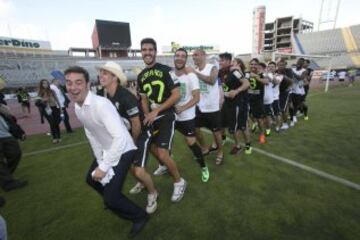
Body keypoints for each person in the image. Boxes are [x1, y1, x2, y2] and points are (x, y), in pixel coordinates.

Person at [64, 66, 148, 238]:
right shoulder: (78, 108)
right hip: (108, 150)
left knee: (111, 197)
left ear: (88, 84)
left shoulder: (101, 105)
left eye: (78, 82)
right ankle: (114, 199)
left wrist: (105, 166)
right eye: (69, 83)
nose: (73, 88)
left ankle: (140, 216)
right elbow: (91, 134)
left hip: (124, 149)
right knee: (91, 179)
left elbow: (121, 139)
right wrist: (100, 160)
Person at [96, 61, 158, 214]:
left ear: (115, 77)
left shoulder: (125, 96)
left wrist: (132, 143)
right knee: (127, 166)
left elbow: (136, 123)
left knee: (138, 170)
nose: (100, 75)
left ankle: (153, 193)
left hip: (141, 133)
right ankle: (141, 184)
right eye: (101, 72)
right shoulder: (103, 95)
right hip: (124, 135)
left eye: (105, 73)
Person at [136, 38, 186, 202]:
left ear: (155, 52)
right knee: (150, 145)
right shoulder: (141, 76)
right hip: (152, 117)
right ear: (141, 52)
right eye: (144, 49)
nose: (147, 52)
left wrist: (156, 110)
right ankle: (164, 166)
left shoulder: (166, 70)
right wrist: (146, 115)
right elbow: (143, 99)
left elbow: (177, 94)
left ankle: (179, 182)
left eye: (150, 49)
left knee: (163, 153)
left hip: (166, 115)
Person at [173, 48, 209, 181]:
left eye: (183, 56)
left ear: (186, 59)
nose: (180, 58)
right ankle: (164, 165)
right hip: (173, 115)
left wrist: (182, 108)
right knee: (163, 143)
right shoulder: (170, 74)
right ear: (174, 57)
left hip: (186, 116)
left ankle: (204, 167)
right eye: (177, 55)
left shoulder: (191, 75)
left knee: (191, 143)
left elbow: (196, 98)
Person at [190, 49, 224, 165]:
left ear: (204, 56)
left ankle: (220, 152)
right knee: (195, 129)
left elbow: (212, 80)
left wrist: (196, 74)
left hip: (212, 107)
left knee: (216, 132)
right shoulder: (195, 70)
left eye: (196, 55)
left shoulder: (212, 67)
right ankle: (204, 148)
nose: (194, 57)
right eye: (193, 55)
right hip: (199, 106)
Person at [222, 56, 252, 154]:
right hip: (230, 103)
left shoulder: (236, 72)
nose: (231, 63)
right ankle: (243, 145)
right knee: (240, 126)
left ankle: (241, 145)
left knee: (239, 126)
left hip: (237, 104)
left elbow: (247, 83)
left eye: (233, 61)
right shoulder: (228, 72)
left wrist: (236, 91)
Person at [0, 105, 28, 192]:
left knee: (16, 153)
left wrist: (19, 132)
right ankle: (8, 183)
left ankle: (5, 176)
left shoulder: (1, 107)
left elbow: (10, 119)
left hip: (5, 134)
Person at [247, 58, 269, 144]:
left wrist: (257, 77)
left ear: (258, 65)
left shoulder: (262, 74)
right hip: (248, 100)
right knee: (250, 116)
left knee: (260, 119)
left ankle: (262, 135)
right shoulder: (247, 74)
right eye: (251, 64)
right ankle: (254, 123)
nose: (253, 66)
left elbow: (266, 82)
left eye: (255, 64)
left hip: (258, 101)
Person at [277, 59, 293, 130]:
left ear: (285, 65)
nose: (281, 66)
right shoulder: (275, 71)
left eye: (282, 65)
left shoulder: (288, 71)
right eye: (279, 65)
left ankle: (285, 123)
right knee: (277, 108)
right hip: (277, 93)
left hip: (285, 92)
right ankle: (279, 121)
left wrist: (283, 76)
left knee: (283, 109)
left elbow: (291, 81)